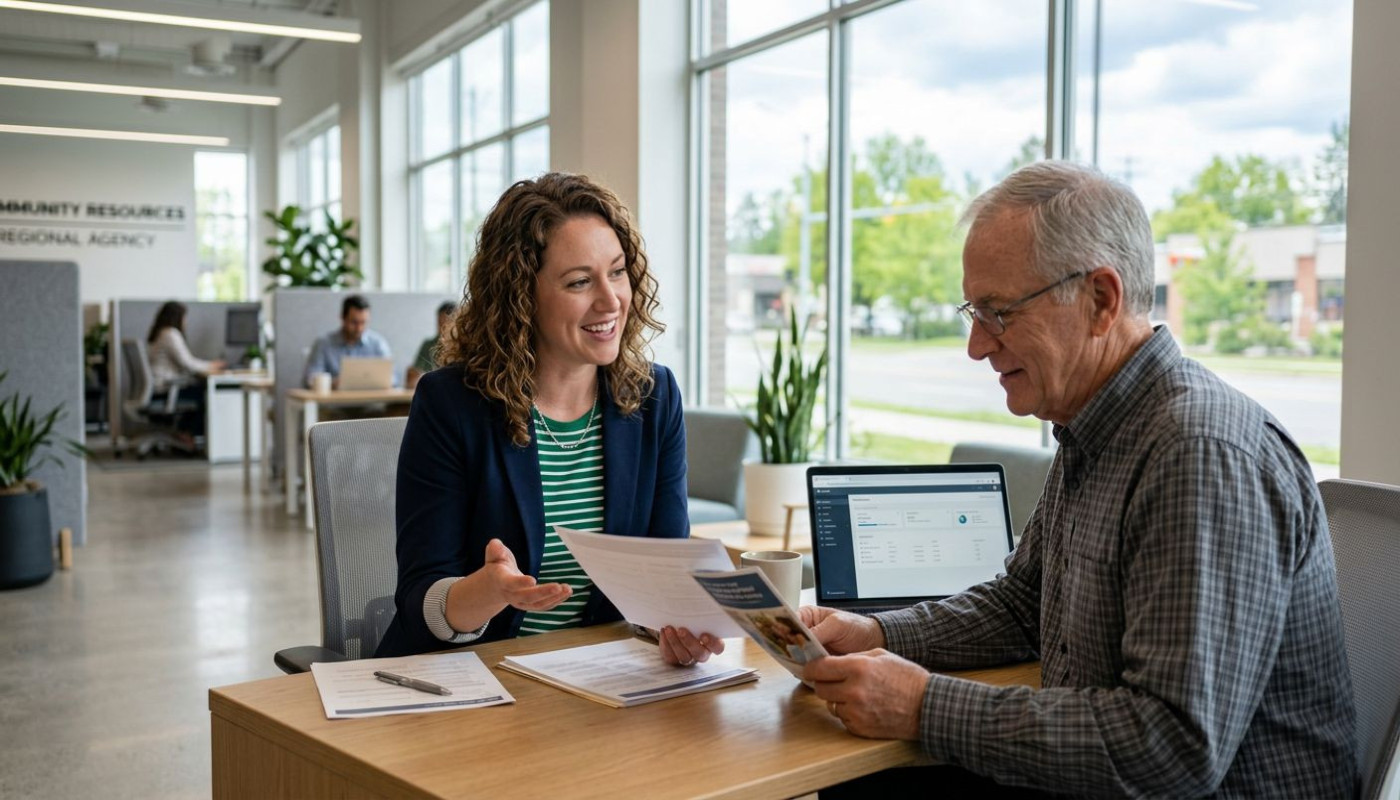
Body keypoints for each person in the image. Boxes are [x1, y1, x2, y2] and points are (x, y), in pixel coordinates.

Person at [801, 161, 1357, 797]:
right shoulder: (1096, 424)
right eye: (974, 312)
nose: (976, 346)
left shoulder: (1197, 453)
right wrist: (877, 633)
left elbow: (1170, 748)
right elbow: (1024, 606)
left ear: (1100, 300)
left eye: (998, 312)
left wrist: (923, 705)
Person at [376, 172, 723, 669]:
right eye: (580, 281)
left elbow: (662, 573)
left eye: (617, 272)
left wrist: (675, 625)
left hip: (599, 677)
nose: (611, 300)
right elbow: (419, 602)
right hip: (472, 675)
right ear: (521, 296)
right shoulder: (451, 404)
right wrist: (487, 592)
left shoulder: (654, 396)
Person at [145, 300, 225, 438]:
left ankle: (184, 433)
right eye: (184, 317)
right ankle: (187, 434)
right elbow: (188, 363)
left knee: (198, 389)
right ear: (177, 317)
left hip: (157, 389)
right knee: (206, 394)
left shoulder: (160, 333)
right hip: (166, 390)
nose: (185, 322)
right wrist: (212, 365)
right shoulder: (170, 334)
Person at [302, 294, 393, 388]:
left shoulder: (378, 344)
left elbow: (392, 378)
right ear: (343, 318)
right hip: (335, 397)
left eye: (363, 322)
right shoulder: (323, 344)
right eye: (354, 322)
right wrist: (332, 383)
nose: (359, 328)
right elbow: (310, 379)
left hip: (371, 397)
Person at [405, 301, 456, 389]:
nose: (442, 328)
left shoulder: (461, 347)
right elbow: (416, 371)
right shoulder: (428, 345)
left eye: (446, 324)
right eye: (439, 323)